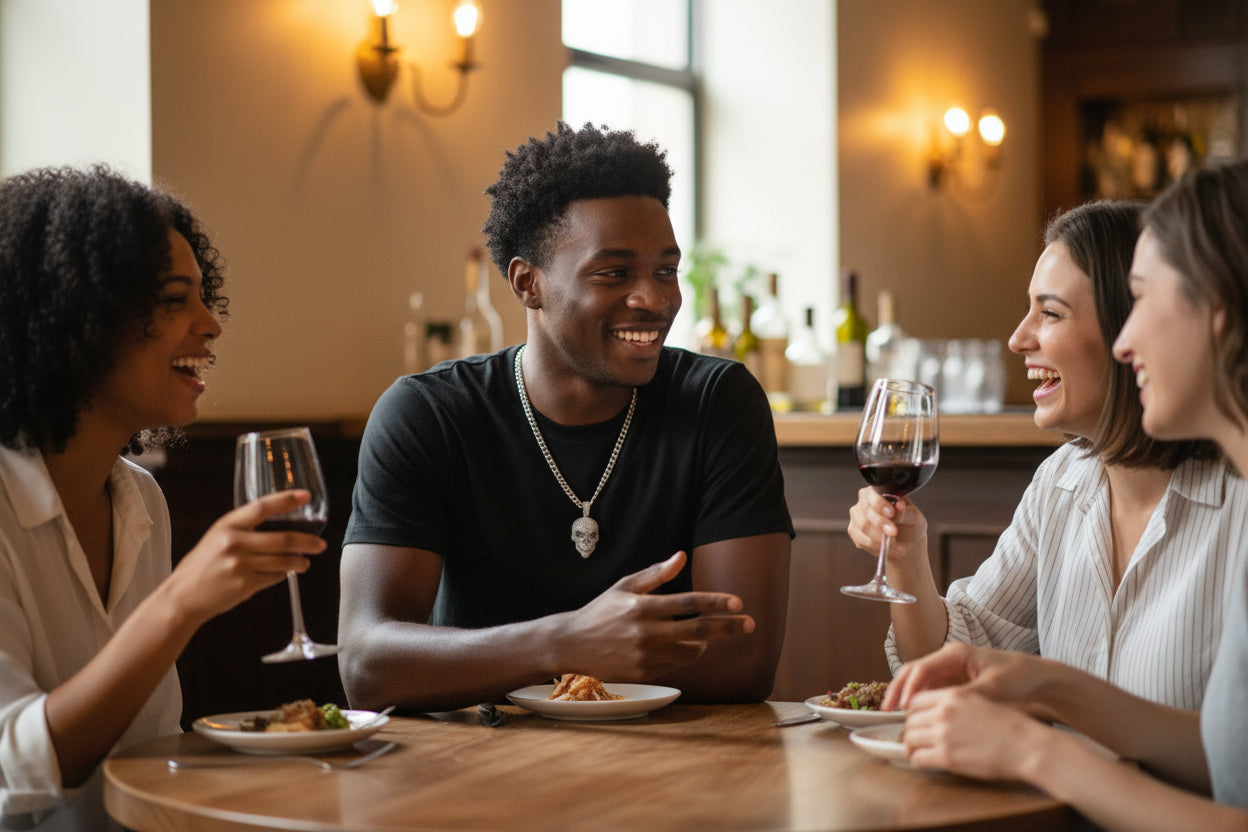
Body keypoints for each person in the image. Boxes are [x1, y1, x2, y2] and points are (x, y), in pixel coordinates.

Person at [338, 122, 793, 712]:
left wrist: (506, 661)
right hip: (473, 767)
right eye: (614, 272)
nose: (654, 300)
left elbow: (742, 662)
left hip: (673, 765)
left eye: (665, 270)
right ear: (529, 283)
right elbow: (367, 665)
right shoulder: (429, 413)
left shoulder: (717, 402)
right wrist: (566, 642)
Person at [883, 158, 1248, 831]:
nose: (1128, 340)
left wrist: (1035, 748)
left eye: (1145, 302)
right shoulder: (1062, 482)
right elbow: (1232, 757)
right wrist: (1052, 687)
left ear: (1219, 315)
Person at [0, 165, 327, 831]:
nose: (211, 325)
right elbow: (18, 768)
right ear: (77, 316)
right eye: (176, 299)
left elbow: (147, 750)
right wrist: (180, 603)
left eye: (204, 298)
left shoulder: (140, 500)